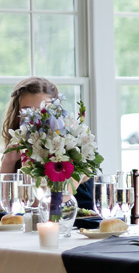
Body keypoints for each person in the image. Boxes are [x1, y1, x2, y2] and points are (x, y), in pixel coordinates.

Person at [0, 77, 94, 210]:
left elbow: (49, 204)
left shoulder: (73, 149)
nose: (36, 120)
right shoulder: (14, 154)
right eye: (27, 113)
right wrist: (8, 162)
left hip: (78, 227)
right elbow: (4, 210)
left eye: (43, 111)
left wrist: (29, 164)